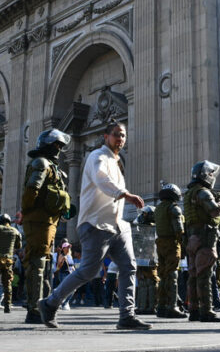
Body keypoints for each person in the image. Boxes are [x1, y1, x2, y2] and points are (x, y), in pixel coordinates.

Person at [38, 121, 151, 330]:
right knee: (89, 271)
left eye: (124, 135)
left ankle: (127, 315)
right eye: (117, 134)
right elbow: (101, 179)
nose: (121, 139)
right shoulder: (97, 157)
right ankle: (50, 303)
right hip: (96, 224)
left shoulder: (116, 162)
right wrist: (124, 194)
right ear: (106, 136)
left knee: (129, 267)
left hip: (117, 225)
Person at [21, 128, 73, 324]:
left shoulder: (51, 165)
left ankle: (40, 305)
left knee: (44, 263)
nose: (59, 149)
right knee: (37, 263)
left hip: (48, 221)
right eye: (57, 145)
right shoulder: (42, 163)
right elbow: (32, 190)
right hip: (39, 220)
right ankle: (34, 308)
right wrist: (28, 212)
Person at [184, 160, 220, 323]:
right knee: (205, 274)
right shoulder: (203, 192)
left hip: (192, 237)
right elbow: (215, 212)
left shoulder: (189, 193)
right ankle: (206, 311)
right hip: (204, 237)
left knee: (193, 274)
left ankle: (193, 310)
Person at [154, 182, 187, 318]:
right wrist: (184, 244)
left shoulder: (158, 208)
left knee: (162, 276)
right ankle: (172, 307)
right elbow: (179, 229)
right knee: (172, 275)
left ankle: (161, 306)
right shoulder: (174, 208)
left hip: (160, 243)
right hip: (172, 243)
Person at [0, 213, 22, 313]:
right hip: (9, 261)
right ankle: (7, 306)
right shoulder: (15, 231)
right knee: (8, 284)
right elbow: (19, 246)